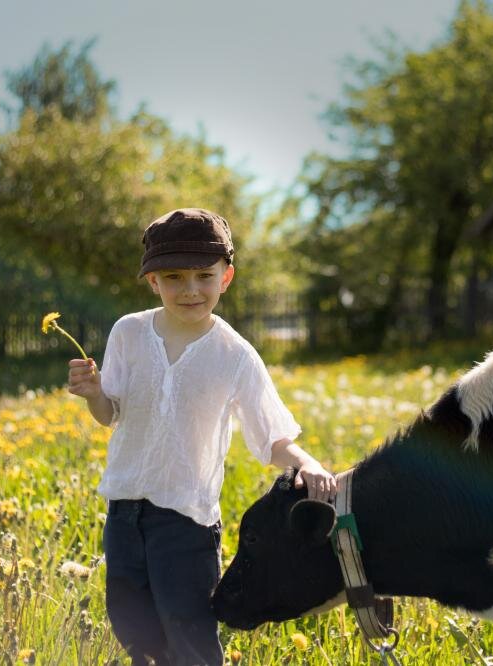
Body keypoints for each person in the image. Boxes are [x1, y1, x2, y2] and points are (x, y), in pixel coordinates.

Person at [66, 208, 336, 666]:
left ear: (226, 277)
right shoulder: (128, 333)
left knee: (189, 633)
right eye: (173, 277)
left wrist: (306, 462)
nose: (190, 289)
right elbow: (110, 414)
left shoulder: (235, 355)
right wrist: (94, 393)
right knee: (134, 628)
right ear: (153, 281)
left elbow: (271, 436)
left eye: (203, 276)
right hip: (124, 512)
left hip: (185, 521)